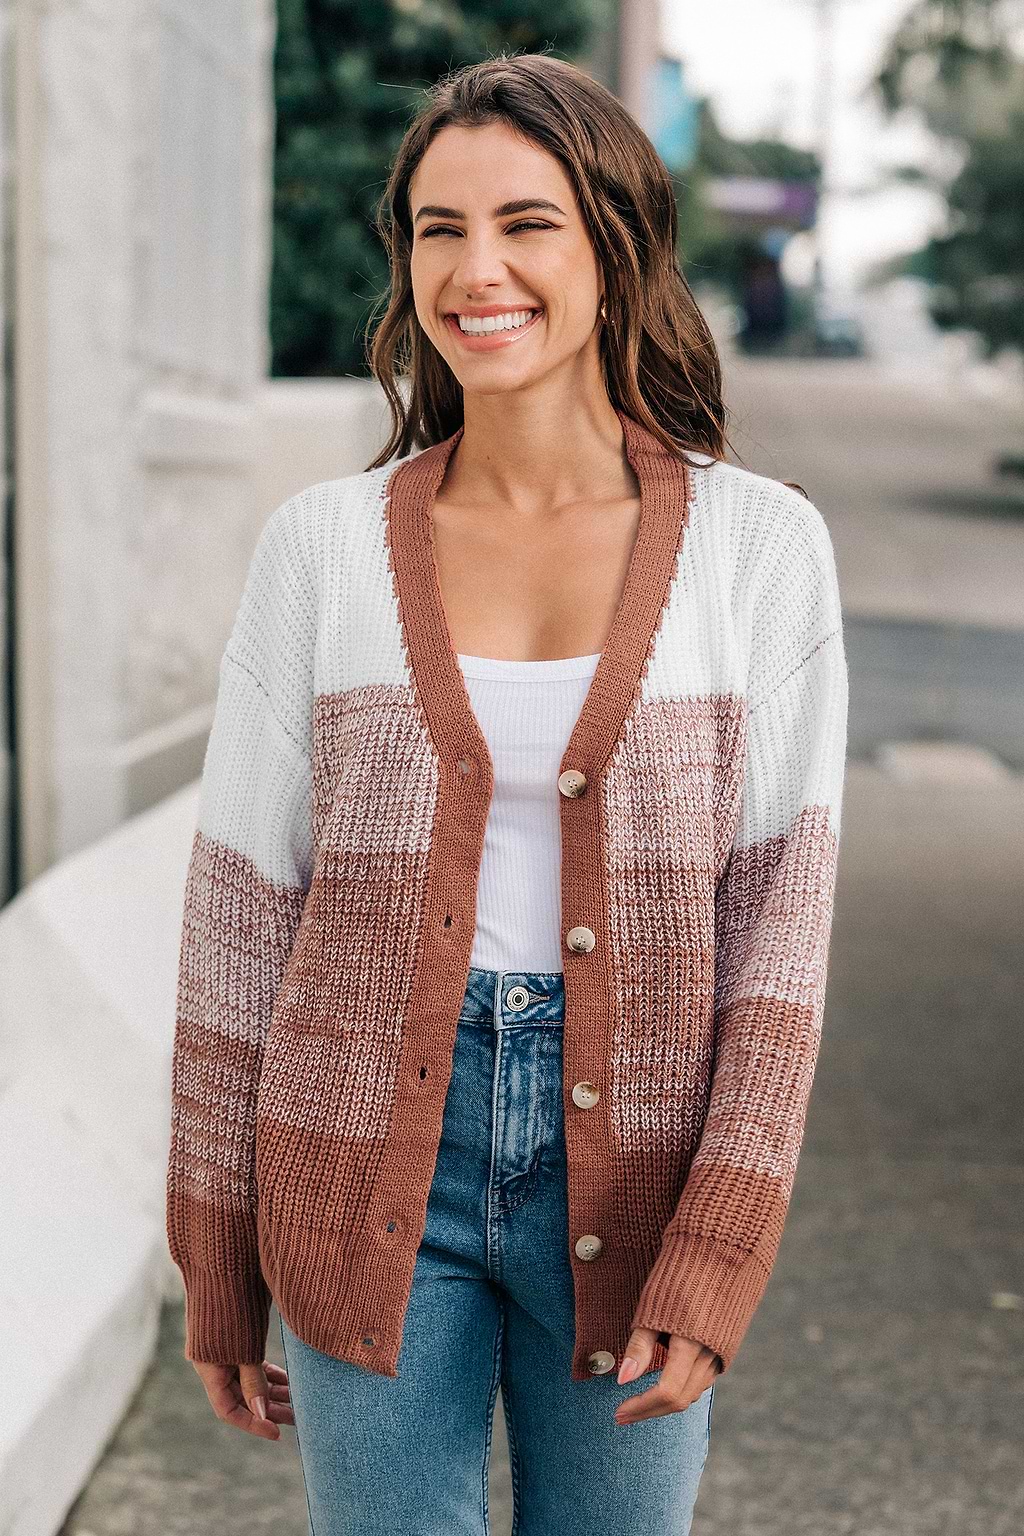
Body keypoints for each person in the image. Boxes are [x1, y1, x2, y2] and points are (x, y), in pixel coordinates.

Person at [165, 50, 849, 1535]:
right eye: (437, 228)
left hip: (646, 1158)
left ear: (617, 241)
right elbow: (239, 915)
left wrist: (723, 1241)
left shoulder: (760, 551)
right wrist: (215, 1246)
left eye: (527, 223)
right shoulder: (324, 549)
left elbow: (779, 944)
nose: (477, 271)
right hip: (356, 1145)